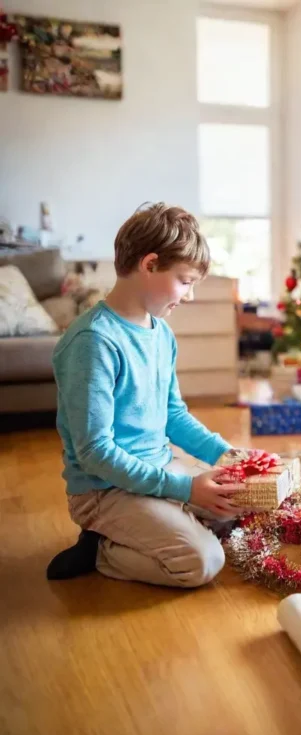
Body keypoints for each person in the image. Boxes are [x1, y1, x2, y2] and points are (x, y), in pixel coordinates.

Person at [46, 203, 244, 587]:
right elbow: (95, 453)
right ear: (150, 264)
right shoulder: (94, 342)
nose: (188, 296)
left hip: (157, 470)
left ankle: (163, 520)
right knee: (201, 562)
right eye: (185, 281)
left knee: (234, 505)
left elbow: (173, 415)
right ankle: (101, 547)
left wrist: (229, 455)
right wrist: (186, 489)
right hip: (103, 490)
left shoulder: (160, 332)